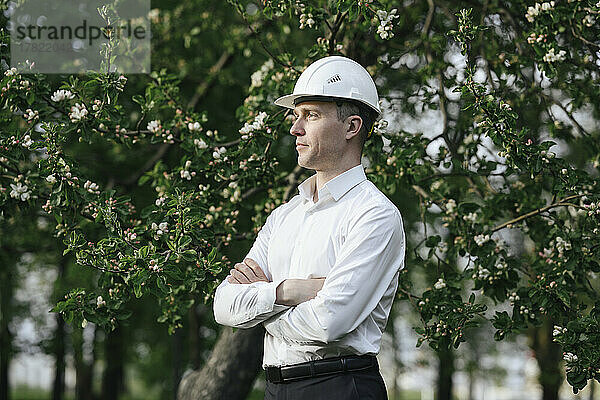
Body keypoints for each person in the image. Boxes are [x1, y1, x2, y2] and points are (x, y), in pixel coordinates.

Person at [213, 55, 405, 400]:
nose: (295, 129)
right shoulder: (285, 216)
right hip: (275, 388)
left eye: (311, 116)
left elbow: (329, 322)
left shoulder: (375, 216)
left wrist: (262, 313)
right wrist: (288, 291)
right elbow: (224, 305)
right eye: (296, 116)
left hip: (340, 387)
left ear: (352, 127)